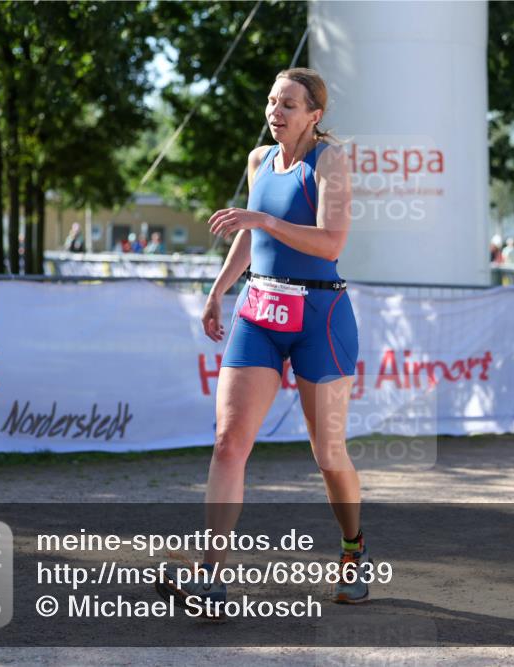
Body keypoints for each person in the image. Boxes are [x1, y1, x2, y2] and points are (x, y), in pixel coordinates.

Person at [155, 67, 367, 614]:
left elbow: (330, 242)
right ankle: (211, 579)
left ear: (314, 115)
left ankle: (352, 551)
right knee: (229, 444)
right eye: (272, 102)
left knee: (328, 453)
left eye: (289, 105)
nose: (276, 112)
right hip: (260, 311)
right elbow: (249, 236)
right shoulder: (259, 161)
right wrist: (218, 291)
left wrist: (262, 221)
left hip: (321, 315)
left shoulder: (331, 161)